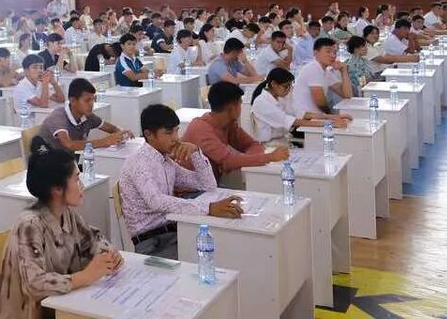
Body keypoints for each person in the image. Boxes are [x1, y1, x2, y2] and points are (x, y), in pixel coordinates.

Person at [0, 138, 123, 319]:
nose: (82, 185)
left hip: (60, 304)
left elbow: (92, 238)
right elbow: (34, 284)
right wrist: (86, 276)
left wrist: (108, 256)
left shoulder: (66, 213)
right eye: (76, 179)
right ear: (57, 189)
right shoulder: (29, 225)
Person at [117, 104, 240, 258]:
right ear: (149, 134)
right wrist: (208, 208)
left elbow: (207, 185)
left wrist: (195, 152)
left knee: (224, 249)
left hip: (173, 231)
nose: (176, 138)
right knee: (214, 256)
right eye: (169, 133)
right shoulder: (139, 163)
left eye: (177, 130)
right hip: (154, 243)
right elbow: (156, 202)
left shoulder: (165, 160)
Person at [182, 82, 286, 183]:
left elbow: (252, 144)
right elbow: (229, 160)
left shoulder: (228, 124)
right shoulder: (201, 129)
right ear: (232, 108)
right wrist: (270, 157)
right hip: (190, 190)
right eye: (240, 103)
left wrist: (246, 160)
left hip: (209, 185)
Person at [248, 69, 347, 143]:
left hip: (283, 139)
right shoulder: (262, 102)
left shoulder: (281, 96)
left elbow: (303, 114)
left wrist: (332, 117)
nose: (288, 90)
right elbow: (294, 122)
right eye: (286, 87)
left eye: (290, 86)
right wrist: (329, 124)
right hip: (269, 144)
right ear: (273, 84)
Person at [38, 78, 130, 151]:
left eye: (93, 99)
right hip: (46, 162)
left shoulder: (87, 116)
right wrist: (104, 142)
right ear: (73, 101)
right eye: (87, 100)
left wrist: (122, 132)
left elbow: (110, 128)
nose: (91, 104)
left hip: (68, 163)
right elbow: (69, 145)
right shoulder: (58, 117)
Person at [292, 37, 351, 115]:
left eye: (335, 52)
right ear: (316, 53)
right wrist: (331, 116)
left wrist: (344, 71)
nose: (333, 55)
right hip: (306, 117)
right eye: (328, 51)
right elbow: (320, 102)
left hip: (317, 116)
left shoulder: (326, 71)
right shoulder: (313, 68)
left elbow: (347, 95)